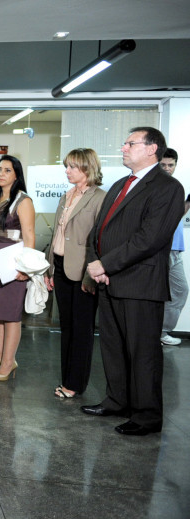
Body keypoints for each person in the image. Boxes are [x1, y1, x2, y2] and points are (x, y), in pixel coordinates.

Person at [83, 127, 185, 436]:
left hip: (140, 283)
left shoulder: (168, 188)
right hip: (109, 280)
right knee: (113, 347)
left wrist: (105, 263)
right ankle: (118, 401)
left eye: (130, 143)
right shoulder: (120, 184)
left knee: (143, 353)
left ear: (152, 148)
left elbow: (150, 238)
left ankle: (146, 415)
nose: (124, 147)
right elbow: (97, 229)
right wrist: (93, 261)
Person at [44, 149, 106, 398]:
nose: (67, 171)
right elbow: (57, 235)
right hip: (60, 266)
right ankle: (67, 378)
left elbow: (99, 240)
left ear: (87, 168)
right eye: (66, 166)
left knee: (82, 329)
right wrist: (50, 268)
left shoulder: (100, 197)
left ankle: (75, 383)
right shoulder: (66, 195)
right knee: (67, 327)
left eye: (72, 167)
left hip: (83, 270)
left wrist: (91, 276)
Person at [0, 155, 35, 381]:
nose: (1, 174)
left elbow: (29, 236)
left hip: (12, 260)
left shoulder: (23, 201)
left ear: (16, 175)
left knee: (10, 314)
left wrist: (26, 268)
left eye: (7, 170)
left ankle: (9, 362)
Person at [158, 147, 189, 346]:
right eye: (163, 165)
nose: (167, 168)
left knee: (179, 290)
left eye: (171, 165)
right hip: (163, 249)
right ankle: (157, 332)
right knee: (168, 291)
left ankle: (160, 331)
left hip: (175, 248)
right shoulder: (157, 187)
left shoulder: (175, 186)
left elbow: (177, 214)